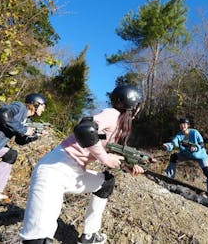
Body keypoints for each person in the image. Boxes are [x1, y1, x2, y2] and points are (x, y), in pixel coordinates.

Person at [19, 85, 145, 244]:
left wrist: (128, 166)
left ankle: (89, 235)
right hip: (55, 169)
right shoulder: (113, 114)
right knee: (37, 240)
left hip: (75, 172)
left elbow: (97, 141)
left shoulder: (118, 126)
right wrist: (105, 158)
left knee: (106, 183)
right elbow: (85, 130)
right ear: (134, 106)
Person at [162, 118, 208, 195]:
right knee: (174, 156)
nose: (183, 126)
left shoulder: (194, 132)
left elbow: (202, 144)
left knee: (207, 172)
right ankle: (168, 177)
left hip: (200, 155)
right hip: (186, 154)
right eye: (181, 124)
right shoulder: (179, 135)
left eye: (185, 124)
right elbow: (174, 143)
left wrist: (195, 147)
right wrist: (168, 146)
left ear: (188, 125)